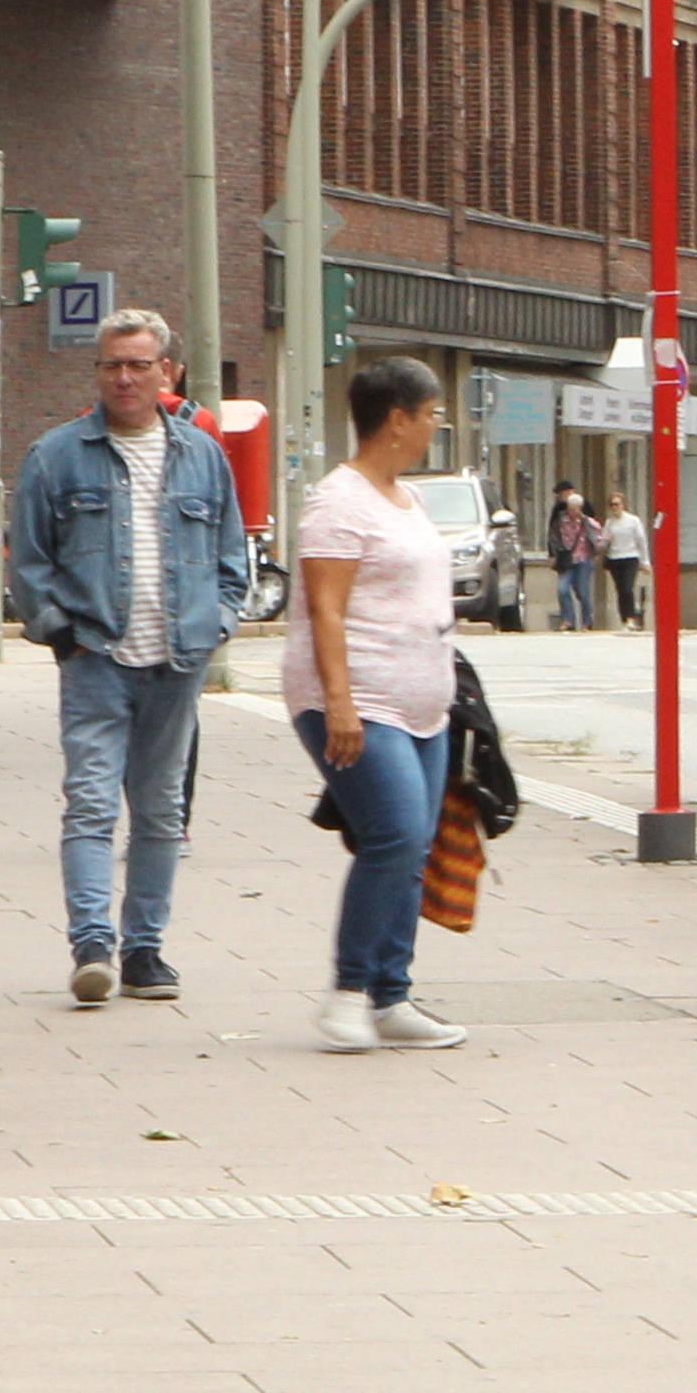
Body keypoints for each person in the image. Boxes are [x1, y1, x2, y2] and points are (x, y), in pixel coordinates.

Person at [11, 308, 257, 1008]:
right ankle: (93, 945)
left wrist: (221, 620)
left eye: (138, 364)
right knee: (90, 802)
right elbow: (29, 563)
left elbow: (228, 555)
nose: (123, 376)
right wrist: (60, 631)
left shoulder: (201, 455)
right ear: (97, 372)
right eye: (111, 364)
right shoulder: (56, 455)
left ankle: (145, 949)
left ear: (167, 374)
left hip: (177, 660)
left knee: (158, 811)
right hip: (95, 655)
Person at [286, 356, 472, 1052]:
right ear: (398, 419)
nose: (433, 428)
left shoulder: (406, 496)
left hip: (424, 702)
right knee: (392, 833)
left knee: (413, 845)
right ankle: (349, 990)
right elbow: (324, 609)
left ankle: (392, 995)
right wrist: (340, 703)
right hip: (359, 699)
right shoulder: (340, 501)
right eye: (430, 415)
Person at [549, 485, 603, 630]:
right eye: (570, 508)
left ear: (580, 508)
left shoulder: (588, 522)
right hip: (566, 561)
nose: (572, 512)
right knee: (562, 589)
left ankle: (587, 621)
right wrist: (553, 554)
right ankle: (568, 620)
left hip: (583, 560)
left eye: (575, 508)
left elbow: (598, 537)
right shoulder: (560, 521)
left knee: (583, 591)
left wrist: (597, 551)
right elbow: (553, 537)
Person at [600, 494, 649, 625]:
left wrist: (645, 561)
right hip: (614, 558)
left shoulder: (633, 521)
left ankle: (631, 617)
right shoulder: (609, 523)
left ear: (623, 505)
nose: (615, 507)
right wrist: (605, 540)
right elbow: (603, 542)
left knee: (627, 587)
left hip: (630, 557)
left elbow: (641, 541)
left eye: (617, 504)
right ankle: (624, 618)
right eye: (612, 505)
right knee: (620, 589)